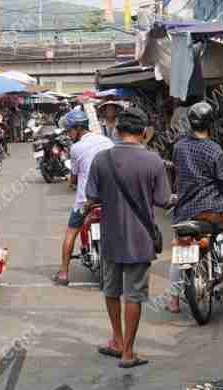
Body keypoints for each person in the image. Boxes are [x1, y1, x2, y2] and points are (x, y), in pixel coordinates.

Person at [85, 106, 171, 369]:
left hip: (110, 237)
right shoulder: (154, 161)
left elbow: (92, 197)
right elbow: (163, 200)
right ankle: (128, 353)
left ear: (117, 131)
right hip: (141, 238)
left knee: (111, 290)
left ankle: (118, 340)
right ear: (144, 133)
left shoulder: (101, 159)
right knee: (133, 295)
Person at [169, 101, 223, 312]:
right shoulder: (214, 150)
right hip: (211, 212)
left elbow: (177, 172)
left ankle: (173, 301)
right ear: (210, 124)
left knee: (179, 247)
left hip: (184, 211)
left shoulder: (179, 146)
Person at [52, 109, 113, 286]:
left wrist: (69, 182)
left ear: (78, 128)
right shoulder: (107, 142)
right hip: (110, 199)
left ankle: (63, 272)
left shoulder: (76, 148)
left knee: (71, 232)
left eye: (70, 130)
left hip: (85, 201)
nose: (69, 134)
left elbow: (74, 177)